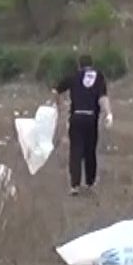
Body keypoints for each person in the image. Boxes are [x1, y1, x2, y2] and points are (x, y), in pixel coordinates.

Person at [53, 54, 113, 195]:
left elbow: (56, 90)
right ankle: (89, 184)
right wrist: (108, 113)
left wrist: (59, 105)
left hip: (76, 116)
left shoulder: (74, 75)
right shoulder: (99, 77)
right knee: (90, 151)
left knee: (76, 151)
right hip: (91, 118)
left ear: (79, 65)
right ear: (92, 65)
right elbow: (103, 98)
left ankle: (75, 185)